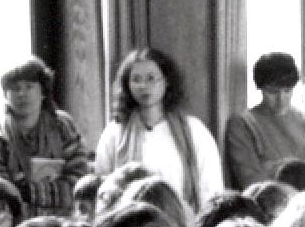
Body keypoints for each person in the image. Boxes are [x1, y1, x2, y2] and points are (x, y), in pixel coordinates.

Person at [93, 47, 225, 214]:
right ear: (127, 85)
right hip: (129, 222)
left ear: (166, 81)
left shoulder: (194, 131)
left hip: (183, 222)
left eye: (151, 78)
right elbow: (102, 188)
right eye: (136, 80)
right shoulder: (115, 132)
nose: (144, 86)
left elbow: (211, 189)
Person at [223, 52, 305, 190]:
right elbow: (251, 180)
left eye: (287, 91)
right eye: (272, 92)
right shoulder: (243, 123)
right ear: (260, 88)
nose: (281, 99)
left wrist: (272, 167)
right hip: (271, 202)